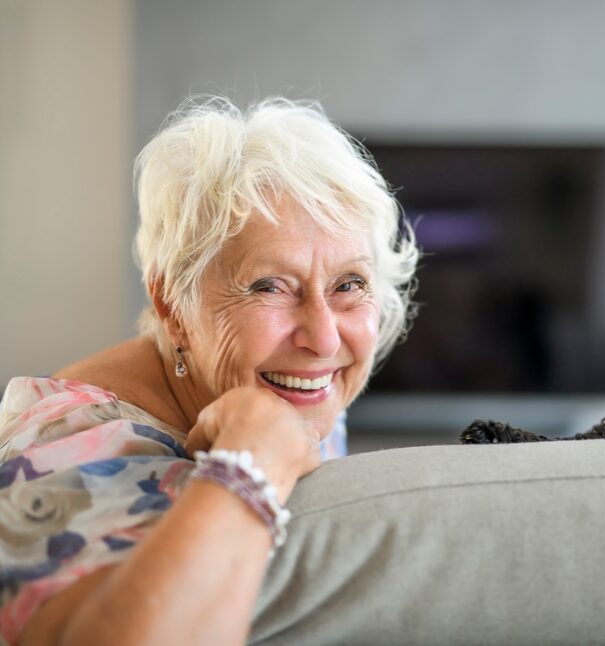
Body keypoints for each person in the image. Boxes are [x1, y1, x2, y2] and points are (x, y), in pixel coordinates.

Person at [0, 96, 419, 644]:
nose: (322, 339)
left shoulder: (284, 397)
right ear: (173, 304)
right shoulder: (72, 443)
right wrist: (249, 466)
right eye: (269, 286)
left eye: (350, 285)